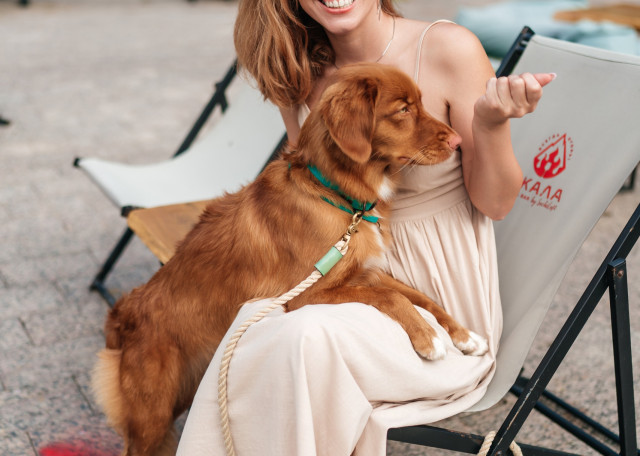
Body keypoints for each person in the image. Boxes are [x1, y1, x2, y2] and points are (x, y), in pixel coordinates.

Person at [177, 0, 555, 455]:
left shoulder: (447, 48)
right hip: (343, 277)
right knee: (257, 328)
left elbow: (496, 204)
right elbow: (310, 195)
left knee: (299, 338)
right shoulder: (299, 69)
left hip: (439, 298)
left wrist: (490, 125)